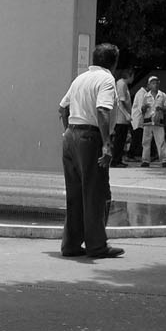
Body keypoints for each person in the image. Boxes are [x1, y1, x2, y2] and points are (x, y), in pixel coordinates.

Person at [58, 42, 123, 259]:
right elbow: (103, 110)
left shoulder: (80, 79)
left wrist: (68, 131)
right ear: (113, 62)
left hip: (71, 137)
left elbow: (62, 107)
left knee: (75, 194)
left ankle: (71, 245)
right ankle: (97, 246)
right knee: (95, 192)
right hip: (90, 137)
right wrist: (106, 143)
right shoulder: (106, 79)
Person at [132, 74, 166, 168]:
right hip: (148, 121)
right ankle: (145, 161)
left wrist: (162, 108)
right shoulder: (145, 96)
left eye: (156, 83)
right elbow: (142, 110)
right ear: (149, 85)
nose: (155, 85)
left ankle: (164, 160)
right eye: (153, 83)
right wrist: (144, 107)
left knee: (160, 141)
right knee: (146, 142)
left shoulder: (162, 95)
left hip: (158, 121)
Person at [110, 66, 134, 167]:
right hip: (120, 118)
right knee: (119, 140)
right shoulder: (121, 84)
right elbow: (120, 101)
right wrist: (127, 114)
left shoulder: (123, 84)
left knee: (122, 140)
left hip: (123, 119)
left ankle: (118, 159)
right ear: (129, 75)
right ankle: (115, 160)